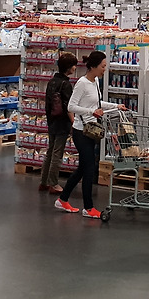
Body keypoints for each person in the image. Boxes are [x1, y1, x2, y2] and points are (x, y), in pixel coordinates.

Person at [57, 51, 118, 218]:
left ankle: (63, 199)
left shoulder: (95, 81)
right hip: (80, 131)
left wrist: (115, 106)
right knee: (89, 168)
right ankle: (88, 208)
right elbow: (71, 107)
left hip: (91, 130)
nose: (105, 69)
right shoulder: (82, 83)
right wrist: (91, 111)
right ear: (93, 66)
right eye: (103, 66)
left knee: (83, 168)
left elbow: (97, 103)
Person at [40, 52, 77, 194]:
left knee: (50, 151)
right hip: (62, 122)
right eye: (73, 65)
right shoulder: (66, 84)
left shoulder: (52, 81)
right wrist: (73, 121)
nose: (75, 68)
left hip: (51, 120)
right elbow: (69, 106)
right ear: (68, 67)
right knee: (57, 153)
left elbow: (48, 103)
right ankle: (53, 184)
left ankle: (44, 181)